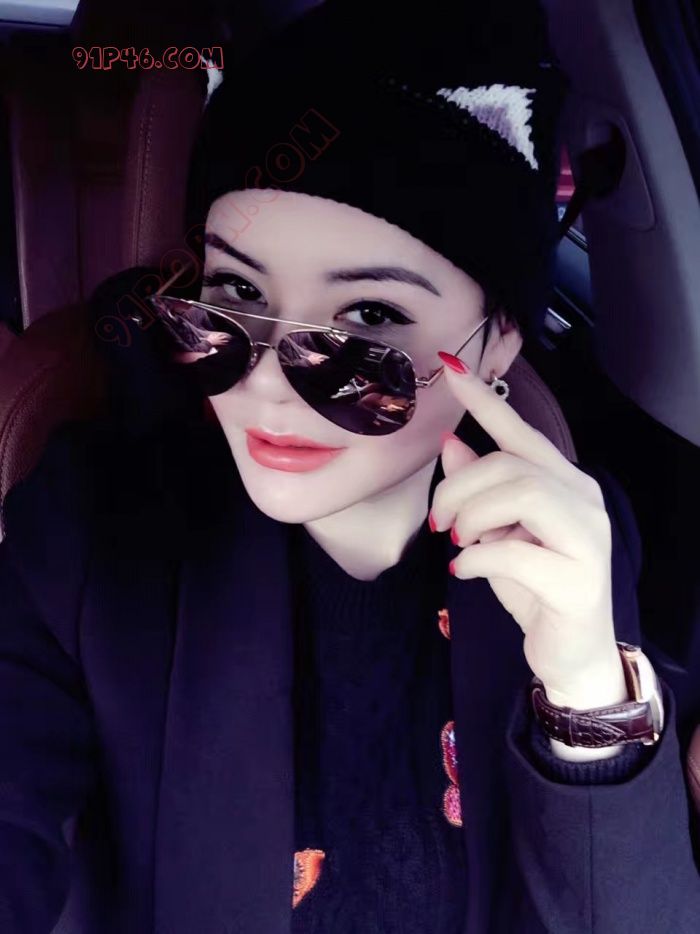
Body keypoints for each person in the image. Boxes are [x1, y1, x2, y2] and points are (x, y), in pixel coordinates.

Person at [0, 1, 698, 932]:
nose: (267, 385)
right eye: (235, 295)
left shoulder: (570, 547)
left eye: (368, 321)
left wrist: (588, 701)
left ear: (498, 340)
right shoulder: (86, 530)